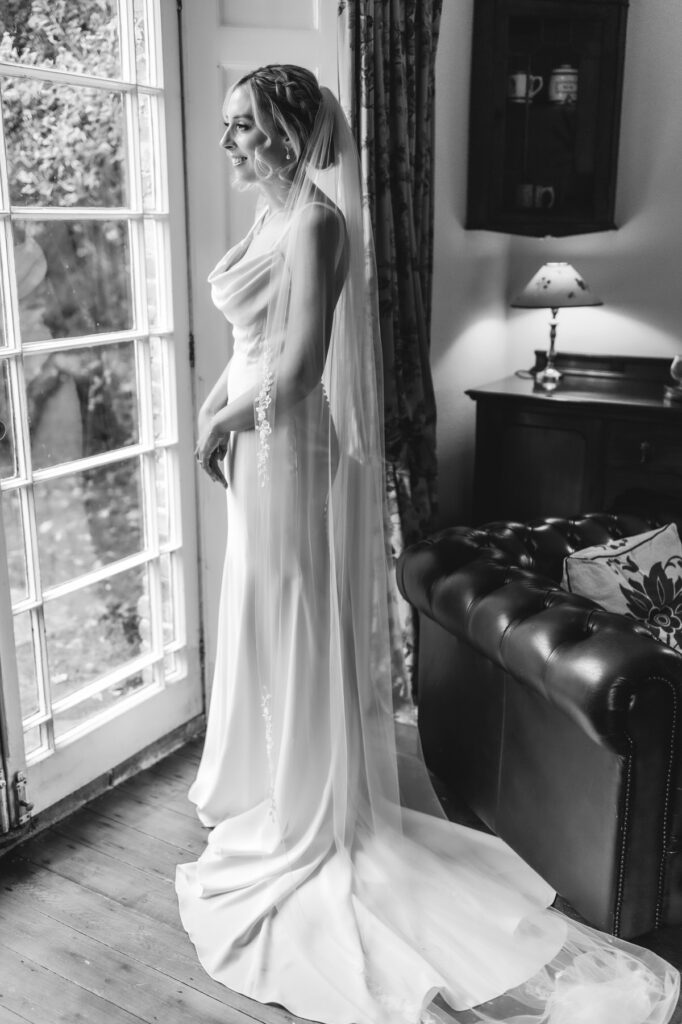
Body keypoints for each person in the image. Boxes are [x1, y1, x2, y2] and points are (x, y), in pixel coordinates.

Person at [176, 65, 679, 1024]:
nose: (231, 141)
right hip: (253, 443)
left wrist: (219, 422)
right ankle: (262, 779)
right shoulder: (268, 215)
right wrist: (218, 410)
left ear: (289, 131)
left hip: (284, 444)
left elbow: (295, 369)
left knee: (291, 613)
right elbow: (251, 348)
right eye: (230, 125)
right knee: (258, 608)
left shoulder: (320, 222)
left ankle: (306, 807)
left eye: (245, 127)